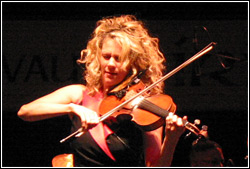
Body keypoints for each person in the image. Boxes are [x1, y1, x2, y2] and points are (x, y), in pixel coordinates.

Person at [17, 15, 188, 167]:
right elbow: (25, 112)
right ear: (97, 57)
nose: (111, 64)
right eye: (106, 56)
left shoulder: (145, 111)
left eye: (119, 59)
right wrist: (72, 108)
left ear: (133, 65)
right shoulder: (79, 94)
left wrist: (171, 140)